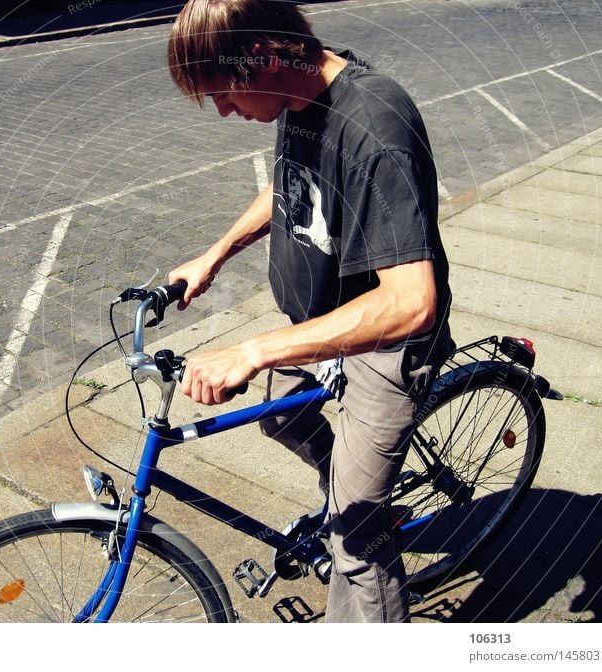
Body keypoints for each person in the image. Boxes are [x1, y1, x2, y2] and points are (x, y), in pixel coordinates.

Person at [166, 0, 452, 623]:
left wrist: (251, 349)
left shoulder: (375, 123)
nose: (222, 110)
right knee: (280, 414)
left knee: (358, 546)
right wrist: (215, 255)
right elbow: (289, 182)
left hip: (384, 348)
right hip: (320, 330)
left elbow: (412, 303)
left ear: (265, 57)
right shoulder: (296, 96)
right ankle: (352, 490)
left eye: (222, 92)